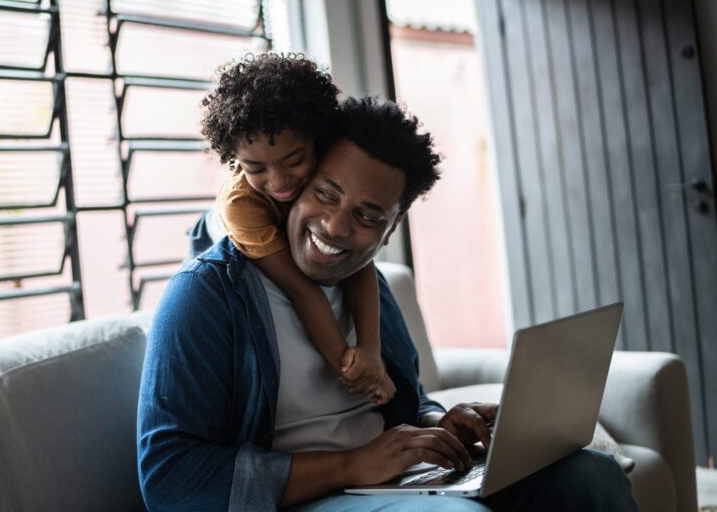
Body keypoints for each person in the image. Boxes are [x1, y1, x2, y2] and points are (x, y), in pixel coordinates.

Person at [137, 96, 638, 511]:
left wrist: (437, 422)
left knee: (592, 478)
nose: (335, 227)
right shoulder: (208, 294)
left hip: (391, 481)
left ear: (391, 229)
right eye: (326, 194)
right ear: (293, 188)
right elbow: (170, 478)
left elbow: (404, 400)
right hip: (303, 497)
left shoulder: (365, 282)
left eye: (368, 215)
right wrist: (353, 464)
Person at [200, 52, 394, 403]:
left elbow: (360, 265)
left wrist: (370, 349)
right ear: (234, 157)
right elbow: (300, 289)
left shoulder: (327, 172)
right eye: (255, 168)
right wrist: (352, 369)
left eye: (295, 161)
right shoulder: (241, 203)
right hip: (221, 231)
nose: (279, 181)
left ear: (317, 141)